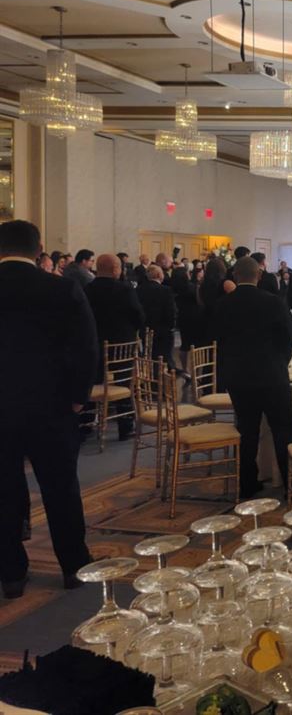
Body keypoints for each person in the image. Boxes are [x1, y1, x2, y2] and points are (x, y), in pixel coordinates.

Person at [0, 220, 95, 598]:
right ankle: (74, 565)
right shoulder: (61, 288)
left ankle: (11, 573)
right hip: (52, 405)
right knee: (61, 488)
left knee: (3, 489)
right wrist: (78, 396)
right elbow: (85, 345)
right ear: (39, 249)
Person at [211, 256, 292, 498]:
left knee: (247, 430)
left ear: (235, 276)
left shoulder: (223, 304)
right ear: (259, 275)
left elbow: (217, 339)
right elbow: (289, 340)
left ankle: (247, 483)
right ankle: (290, 482)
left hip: (239, 377)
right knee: (282, 430)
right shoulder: (274, 302)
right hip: (272, 375)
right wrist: (280, 363)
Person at [84, 253, 144, 352]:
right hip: (121, 346)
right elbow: (138, 316)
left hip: (95, 344)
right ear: (115, 269)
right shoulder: (125, 290)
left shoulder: (87, 289)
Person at [137, 264, 177, 367]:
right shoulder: (166, 290)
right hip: (163, 331)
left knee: (148, 355)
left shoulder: (138, 289)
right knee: (163, 359)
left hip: (145, 329)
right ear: (160, 275)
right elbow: (170, 312)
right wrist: (171, 326)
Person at [170, 266, 199, 376]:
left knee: (185, 344)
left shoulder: (173, 289)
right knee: (195, 346)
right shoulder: (192, 287)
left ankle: (184, 369)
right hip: (194, 317)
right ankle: (195, 371)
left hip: (182, 317)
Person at [197, 257, 231, 346]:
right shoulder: (226, 283)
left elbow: (200, 301)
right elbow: (237, 299)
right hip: (223, 318)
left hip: (206, 317)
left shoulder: (202, 284)